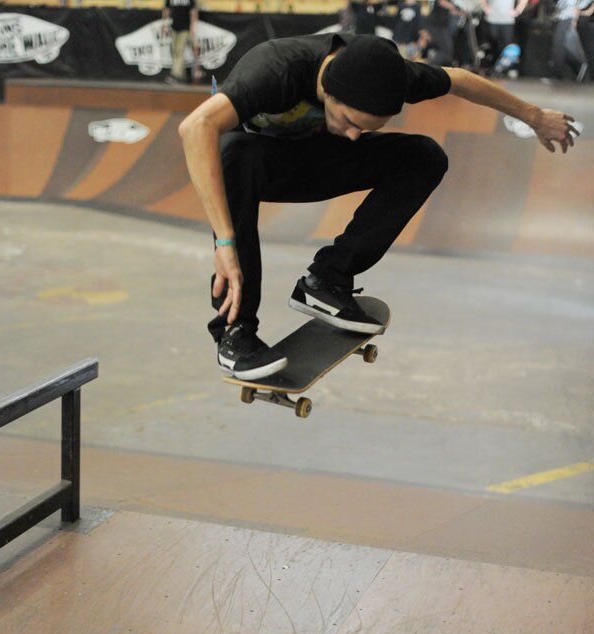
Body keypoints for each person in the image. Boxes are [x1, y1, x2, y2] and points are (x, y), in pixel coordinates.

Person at [178, 32, 577, 380]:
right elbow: (195, 128)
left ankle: (326, 280)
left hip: (315, 159)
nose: (354, 135)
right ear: (328, 90)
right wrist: (225, 243)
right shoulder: (275, 70)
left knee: (424, 156)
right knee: (235, 155)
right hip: (255, 169)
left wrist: (534, 116)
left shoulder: (389, 74)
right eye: (349, 121)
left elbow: (459, 80)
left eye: (366, 128)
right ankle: (235, 333)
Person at [480, 0, 529, 65]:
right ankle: (493, 65)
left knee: (506, 45)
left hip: (507, 21)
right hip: (491, 20)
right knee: (492, 45)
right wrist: (485, 6)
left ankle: (504, 66)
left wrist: (517, 10)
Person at [162, 0, 198, 85]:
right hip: (173, 27)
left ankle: (175, 75)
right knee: (174, 52)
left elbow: (193, 11)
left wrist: (192, 26)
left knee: (179, 51)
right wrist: (164, 24)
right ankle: (181, 75)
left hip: (185, 28)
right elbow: (166, 9)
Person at [552, 0, 589, 80]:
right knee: (562, 45)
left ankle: (557, 74)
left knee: (560, 44)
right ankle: (580, 71)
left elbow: (578, 4)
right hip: (564, 16)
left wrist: (575, 18)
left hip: (569, 16)